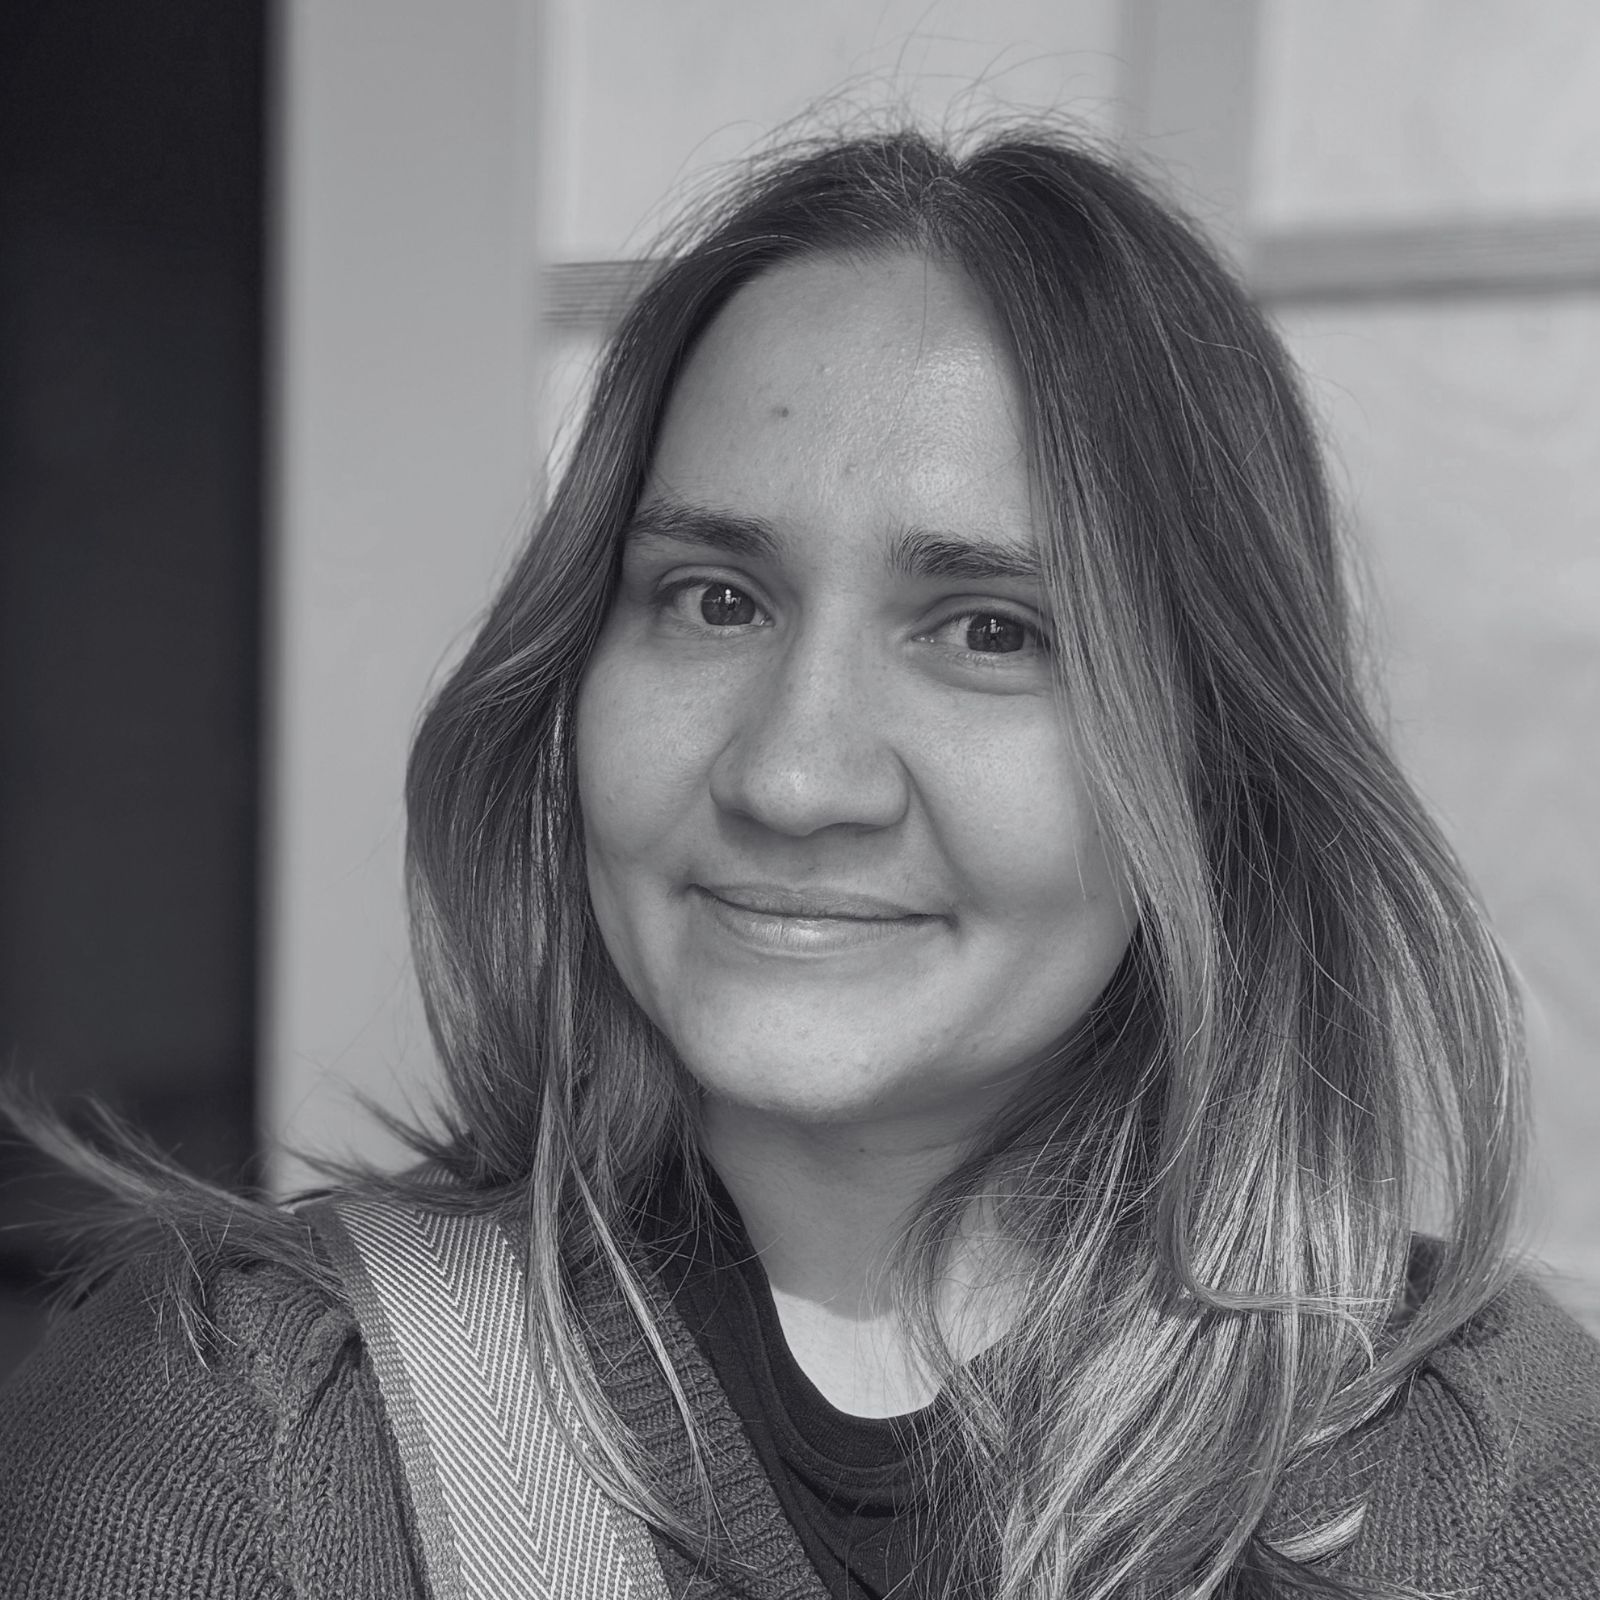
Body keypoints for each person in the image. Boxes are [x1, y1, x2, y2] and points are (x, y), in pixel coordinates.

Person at [2, 123, 1598, 1600]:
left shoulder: (1492, 1474)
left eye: (991, 630)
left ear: (1217, 751)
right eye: (715, 599)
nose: (790, 774)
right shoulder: (247, 1434)